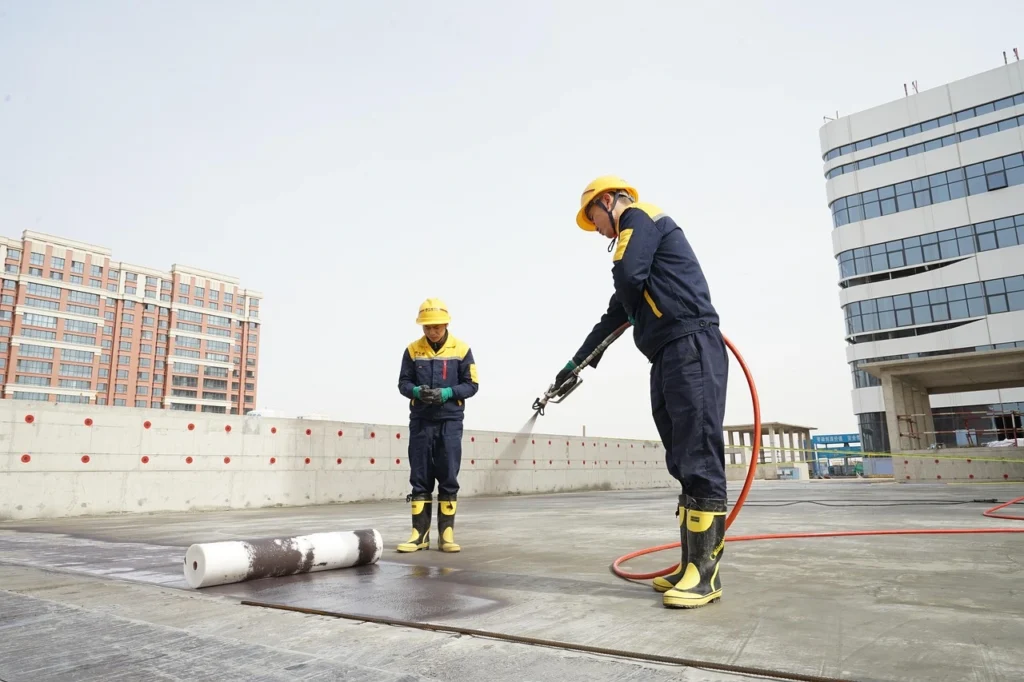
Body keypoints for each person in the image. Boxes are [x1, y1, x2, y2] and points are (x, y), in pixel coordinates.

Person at [553, 176, 729, 609]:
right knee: (682, 459)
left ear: (609, 201)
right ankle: (690, 563)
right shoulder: (638, 255)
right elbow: (615, 314)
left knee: (699, 455)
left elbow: (628, 277)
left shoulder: (639, 217)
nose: (595, 228)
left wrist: (627, 290)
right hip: (667, 353)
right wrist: (575, 364)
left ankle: (706, 577)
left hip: (691, 343)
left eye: (593, 217)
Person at [396, 298, 479, 554]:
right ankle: (419, 535)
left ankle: (446, 535)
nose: (432, 331)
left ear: (446, 324)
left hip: (450, 422)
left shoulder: (462, 350)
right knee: (420, 477)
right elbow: (403, 383)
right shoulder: (412, 351)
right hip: (421, 421)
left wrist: (448, 393)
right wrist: (418, 391)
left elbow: (472, 385)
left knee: (448, 475)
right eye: (428, 327)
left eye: (437, 327)